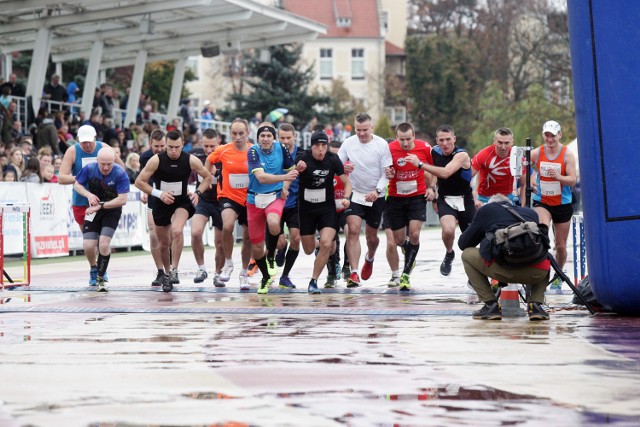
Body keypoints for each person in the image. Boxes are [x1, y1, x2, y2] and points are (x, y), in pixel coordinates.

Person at [135, 129, 212, 292]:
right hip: (161, 202)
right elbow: (139, 182)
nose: (174, 151)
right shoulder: (156, 160)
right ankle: (167, 273)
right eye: (170, 147)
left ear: (183, 144)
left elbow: (207, 177)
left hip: (181, 202)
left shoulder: (190, 160)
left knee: (177, 231)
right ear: (166, 146)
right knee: (164, 243)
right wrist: (159, 194)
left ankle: (175, 270)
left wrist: (198, 193)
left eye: (177, 147)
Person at [458, 194, 551, 321]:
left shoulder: (487, 210)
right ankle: (535, 305)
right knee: (544, 255)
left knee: (467, 255)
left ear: (491, 204)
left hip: (503, 271)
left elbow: (463, 244)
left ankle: (491, 305)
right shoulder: (530, 213)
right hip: (536, 273)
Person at [58, 125, 125, 285]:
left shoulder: (105, 149)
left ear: (95, 138)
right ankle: (93, 267)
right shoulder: (73, 151)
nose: (87, 145)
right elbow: (61, 177)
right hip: (82, 201)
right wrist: (83, 177)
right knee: (89, 241)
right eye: (84, 142)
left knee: (102, 241)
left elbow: (121, 168)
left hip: (103, 200)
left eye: (89, 142)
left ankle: (101, 269)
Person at [408, 125, 475, 277]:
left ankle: (473, 273)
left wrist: (419, 164)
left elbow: (445, 172)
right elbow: (430, 170)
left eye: (448, 140)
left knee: (470, 241)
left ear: (454, 139)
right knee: (448, 229)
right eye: (441, 140)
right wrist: (431, 187)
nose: (445, 144)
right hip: (445, 199)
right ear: (437, 140)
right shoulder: (434, 152)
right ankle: (449, 253)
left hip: (465, 200)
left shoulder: (461, 155)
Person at [337, 113, 393, 287]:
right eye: (358, 130)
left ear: (372, 128)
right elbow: (336, 165)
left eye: (365, 130)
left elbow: (387, 173)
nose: (361, 134)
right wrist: (343, 168)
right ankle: (354, 273)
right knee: (353, 230)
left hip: (375, 194)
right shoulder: (348, 143)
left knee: (371, 237)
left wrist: (377, 191)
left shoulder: (381, 144)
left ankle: (369, 258)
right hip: (356, 193)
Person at [295, 130, 351, 294]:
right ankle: (319, 246)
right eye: (317, 146)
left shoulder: (333, 159)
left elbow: (347, 183)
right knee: (308, 249)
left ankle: (314, 281)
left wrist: (346, 197)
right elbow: (293, 171)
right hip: (306, 209)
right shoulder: (303, 157)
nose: (320, 149)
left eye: (323, 145)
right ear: (311, 147)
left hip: (326, 208)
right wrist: (298, 168)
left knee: (327, 243)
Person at [246, 122, 298, 294]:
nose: (266, 139)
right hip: (254, 199)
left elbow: (292, 170)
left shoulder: (281, 148)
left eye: (269, 136)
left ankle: (271, 256)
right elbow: (261, 178)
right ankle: (266, 277)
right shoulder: (253, 151)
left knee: (274, 222)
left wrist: (285, 187)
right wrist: (284, 177)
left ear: (274, 138)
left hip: (275, 196)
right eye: (263, 136)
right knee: (256, 247)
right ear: (258, 138)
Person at [528, 120, 577, 292]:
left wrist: (559, 177)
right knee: (542, 234)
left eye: (553, 136)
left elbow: (573, 179)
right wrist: (531, 175)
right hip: (543, 201)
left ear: (559, 135)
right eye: (547, 136)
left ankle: (559, 273)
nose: (550, 139)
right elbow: (523, 161)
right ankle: (540, 272)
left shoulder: (567, 154)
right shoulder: (538, 152)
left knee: (561, 245)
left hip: (562, 203)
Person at [73, 147, 130, 292]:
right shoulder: (90, 169)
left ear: (114, 162)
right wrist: (88, 195)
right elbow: (77, 185)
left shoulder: (119, 173)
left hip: (112, 209)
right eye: (102, 164)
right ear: (97, 161)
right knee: (88, 244)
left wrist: (102, 206)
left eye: (109, 164)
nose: (105, 167)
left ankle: (100, 275)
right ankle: (93, 268)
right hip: (93, 209)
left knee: (104, 244)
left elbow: (122, 199)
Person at [206, 118, 253, 290]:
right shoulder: (223, 150)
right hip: (229, 196)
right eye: (234, 133)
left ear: (247, 133)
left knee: (247, 237)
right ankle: (228, 263)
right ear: (230, 134)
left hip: (249, 198)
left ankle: (244, 273)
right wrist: (209, 175)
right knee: (227, 226)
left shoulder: (253, 151)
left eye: (241, 133)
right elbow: (210, 160)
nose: (238, 137)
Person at [387, 122, 433, 290]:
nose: (405, 143)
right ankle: (410, 252)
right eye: (401, 140)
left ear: (414, 136)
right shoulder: (390, 149)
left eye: (408, 139)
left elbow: (433, 169)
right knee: (398, 240)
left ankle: (406, 274)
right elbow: (384, 170)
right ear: (396, 137)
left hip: (417, 197)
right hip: (396, 198)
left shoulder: (424, 148)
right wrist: (389, 173)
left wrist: (432, 188)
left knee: (414, 234)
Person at [190, 128, 225, 286]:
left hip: (222, 202)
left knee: (220, 242)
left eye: (213, 146)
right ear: (201, 143)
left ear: (219, 142)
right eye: (206, 146)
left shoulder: (226, 154)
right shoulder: (194, 155)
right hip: (203, 200)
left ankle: (218, 274)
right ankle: (201, 268)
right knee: (196, 232)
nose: (209, 150)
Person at [274, 123, 302, 290]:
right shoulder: (273, 153)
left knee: (296, 239)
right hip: (276, 202)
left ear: (294, 137)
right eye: (282, 138)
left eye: (288, 138)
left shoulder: (301, 154)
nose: (285, 141)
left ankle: (285, 276)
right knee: (280, 242)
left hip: (295, 204)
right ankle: (280, 250)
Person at [139, 130, 168, 286]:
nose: (159, 149)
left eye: (162, 145)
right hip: (154, 196)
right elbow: (144, 177)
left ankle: (171, 270)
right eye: (156, 146)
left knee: (168, 237)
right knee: (153, 233)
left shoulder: (173, 153)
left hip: (171, 197)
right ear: (150, 143)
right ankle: (160, 272)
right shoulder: (145, 157)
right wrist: (145, 191)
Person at [323, 140, 351, 288]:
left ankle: (347, 266)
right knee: (331, 245)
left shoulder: (348, 169)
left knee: (350, 231)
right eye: (332, 155)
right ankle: (332, 273)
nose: (335, 159)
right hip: (328, 210)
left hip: (345, 207)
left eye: (339, 156)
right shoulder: (324, 167)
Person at [471, 127, 519, 206]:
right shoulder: (484, 154)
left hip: (507, 197)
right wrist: (475, 198)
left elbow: (524, 183)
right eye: (500, 142)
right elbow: (466, 179)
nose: (503, 147)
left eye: (506, 143)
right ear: (494, 141)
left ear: (512, 142)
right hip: (484, 198)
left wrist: (524, 208)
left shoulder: (516, 155)